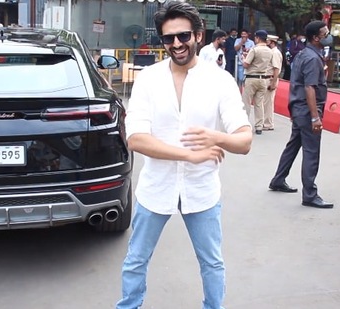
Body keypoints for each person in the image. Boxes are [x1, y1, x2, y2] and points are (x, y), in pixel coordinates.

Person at [116, 2, 253, 309]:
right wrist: (188, 155)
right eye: (169, 38)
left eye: (183, 36)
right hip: (157, 187)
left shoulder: (220, 80)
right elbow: (136, 138)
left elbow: (244, 141)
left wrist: (216, 137)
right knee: (136, 259)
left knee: (212, 262)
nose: (177, 44)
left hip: (201, 189)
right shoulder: (149, 78)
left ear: (198, 36)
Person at [268, 21, 334, 209]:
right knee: (311, 153)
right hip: (307, 110)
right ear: (316, 37)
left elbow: (296, 83)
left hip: (299, 109)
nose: (329, 36)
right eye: (325, 33)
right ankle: (310, 195)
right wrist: (315, 117)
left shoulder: (303, 55)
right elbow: (309, 88)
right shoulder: (313, 59)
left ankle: (278, 179)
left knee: (293, 146)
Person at [241, 30, 273, 135]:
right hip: (263, 78)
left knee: (247, 102)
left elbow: (246, 64)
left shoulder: (255, 50)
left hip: (251, 78)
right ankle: (259, 126)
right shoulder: (269, 51)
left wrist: (243, 58)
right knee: (259, 104)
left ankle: (244, 125)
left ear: (258, 38)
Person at [263, 34, 283, 131]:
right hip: (269, 78)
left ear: (272, 42)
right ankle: (266, 122)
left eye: (268, 41)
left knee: (268, 103)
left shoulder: (275, 53)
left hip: (271, 78)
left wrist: (273, 82)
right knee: (266, 102)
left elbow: (276, 69)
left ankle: (268, 123)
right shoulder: (272, 52)